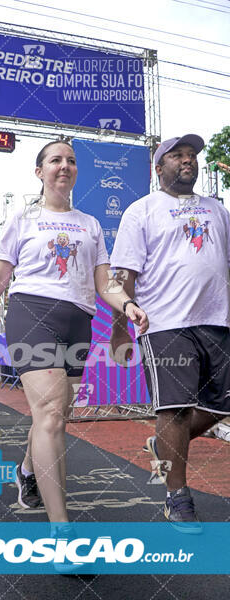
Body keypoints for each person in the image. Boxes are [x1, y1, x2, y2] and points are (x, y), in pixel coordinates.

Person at [0, 140, 148, 536]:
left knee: (56, 416)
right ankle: (61, 531)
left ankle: (27, 470)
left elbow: (104, 281)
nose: (65, 166)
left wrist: (127, 304)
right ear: (39, 171)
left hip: (78, 321)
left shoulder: (90, 224)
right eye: (55, 160)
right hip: (33, 314)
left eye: (71, 161)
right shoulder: (23, 220)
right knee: (49, 417)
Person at [109, 134, 230, 533]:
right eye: (177, 155)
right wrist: (120, 330)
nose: (187, 161)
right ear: (158, 168)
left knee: (222, 406)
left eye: (192, 155)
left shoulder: (218, 209)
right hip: (163, 323)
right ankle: (176, 496)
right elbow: (124, 273)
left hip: (218, 321)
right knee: (175, 409)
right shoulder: (141, 211)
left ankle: (164, 446)